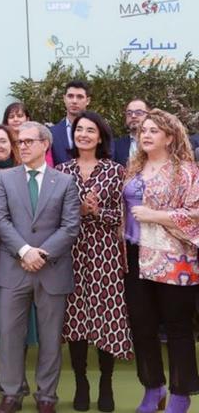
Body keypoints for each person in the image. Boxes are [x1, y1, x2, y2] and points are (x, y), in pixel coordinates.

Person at [0, 121, 80, 413]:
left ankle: (46, 396)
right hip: (13, 268)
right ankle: (11, 393)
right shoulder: (5, 178)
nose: (24, 146)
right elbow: (1, 220)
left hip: (51, 269)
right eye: (21, 141)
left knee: (50, 337)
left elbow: (70, 227)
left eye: (30, 141)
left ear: (45, 144)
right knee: (9, 335)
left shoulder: (65, 181)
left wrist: (40, 254)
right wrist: (25, 251)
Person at [55, 111, 131, 412]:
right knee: (75, 321)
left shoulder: (116, 171)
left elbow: (122, 218)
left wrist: (94, 212)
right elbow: (55, 217)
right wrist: (79, 212)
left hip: (105, 254)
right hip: (70, 254)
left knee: (106, 318)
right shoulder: (61, 171)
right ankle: (81, 383)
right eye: (79, 129)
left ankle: (107, 383)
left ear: (100, 137)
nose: (83, 134)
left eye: (90, 130)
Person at [124, 109, 199, 413]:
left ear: (169, 137)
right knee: (142, 327)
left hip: (173, 258)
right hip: (133, 255)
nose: (146, 134)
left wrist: (157, 216)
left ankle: (181, 394)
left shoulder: (187, 171)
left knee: (178, 327)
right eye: (143, 130)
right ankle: (154, 388)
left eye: (154, 130)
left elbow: (196, 213)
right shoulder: (133, 169)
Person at [0, 125, 34, 396]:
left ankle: (19, 377)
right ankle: (4, 374)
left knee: (19, 319)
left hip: (18, 255)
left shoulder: (24, 176)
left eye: (3, 141)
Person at [49, 81, 91, 166]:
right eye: (70, 96)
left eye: (80, 97)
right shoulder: (52, 133)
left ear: (88, 101)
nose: (74, 101)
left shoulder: (99, 131)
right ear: (64, 99)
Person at [112, 98, 149, 167]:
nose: (133, 116)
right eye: (129, 113)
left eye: (139, 113)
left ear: (149, 116)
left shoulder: (160, 143)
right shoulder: (115, 145)